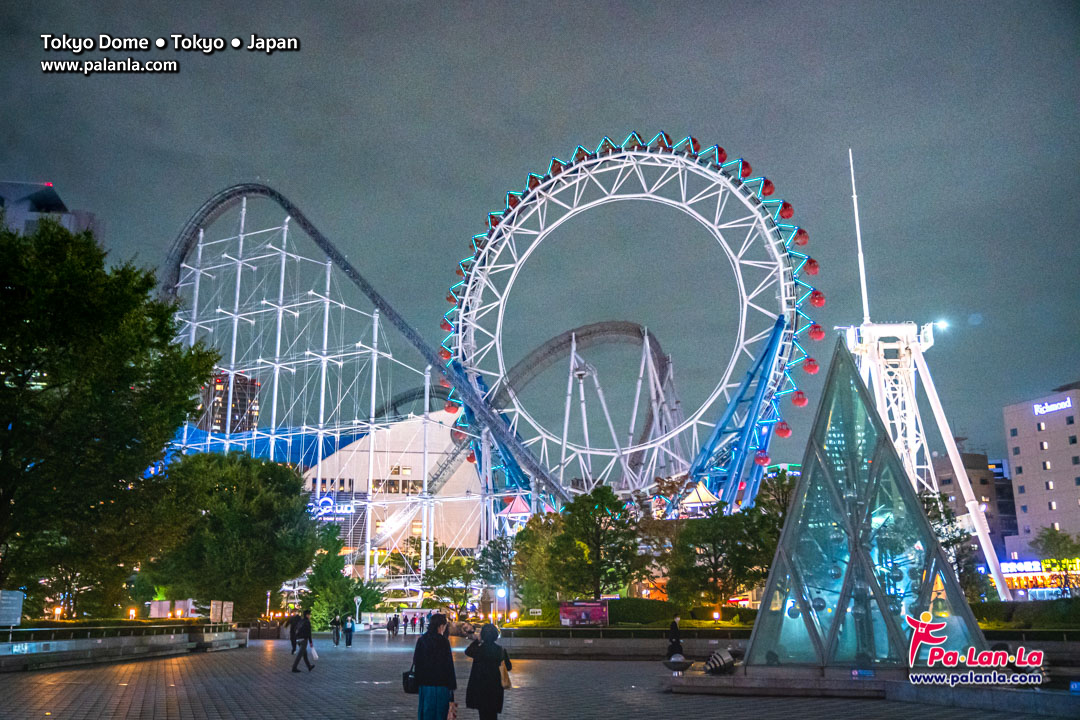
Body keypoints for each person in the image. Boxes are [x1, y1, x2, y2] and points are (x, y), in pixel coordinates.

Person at [413, 613, 456, 720]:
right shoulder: (444, 642)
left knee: (426, 711)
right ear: (440, 626)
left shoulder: (422, 640)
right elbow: (449, 665)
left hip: (425, 683)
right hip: (442, 684)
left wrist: (418, 680)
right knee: (440, 712)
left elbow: (417, 661)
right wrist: (452, 685)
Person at [465, 623, 512, 720]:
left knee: (483, 714)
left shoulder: (479, 650)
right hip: (495, 688)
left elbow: (468, 651)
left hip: (480, 687)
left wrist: (477, 640)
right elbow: (509, 667)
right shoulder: (500, 650)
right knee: (493, 714)